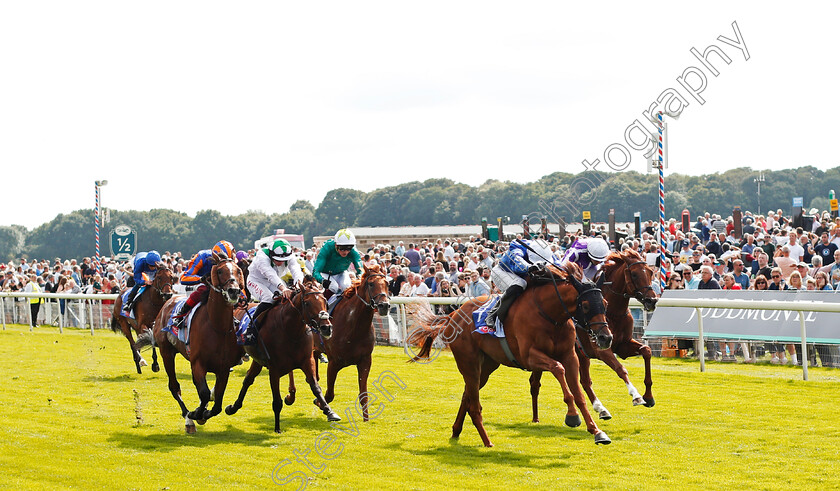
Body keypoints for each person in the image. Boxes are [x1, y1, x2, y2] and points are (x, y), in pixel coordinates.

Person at [486, 239, 556, 328]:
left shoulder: (545, 251)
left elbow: (558, 264)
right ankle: (493, 314)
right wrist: (529, 267)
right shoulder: (517, 247)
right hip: (502, 272)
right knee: (520, 283)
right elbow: (518, 263)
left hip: (520, 274)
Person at [171, 241, 236, 327]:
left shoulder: (230, 262)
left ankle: (231, 315)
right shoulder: (202, 256)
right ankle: (181, 315)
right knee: (203, 289)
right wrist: (201, 279)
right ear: (215, 256)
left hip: (214, 286)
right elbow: (184, 278)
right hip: (196, 283)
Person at [246, 238, 304, 334]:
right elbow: (270, 274)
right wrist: (283, 288)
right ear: (271, 254)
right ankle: (251, 328)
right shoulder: (262, 256)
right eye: (278, 260)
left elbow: (296, 270)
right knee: (268, 299)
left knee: (287, 298)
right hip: (256, 281)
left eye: (284, 260)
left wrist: (298, 285)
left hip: (273, 282)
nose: (281, 263)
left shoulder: (290, 255)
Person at [312, 229, 364, 307]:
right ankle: (322, 307)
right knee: (334, 287)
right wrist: (322, 280)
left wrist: (361, 276)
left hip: (341, 272)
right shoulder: (327, 248)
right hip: (325, 273)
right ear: (336, 245)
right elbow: (315, 271)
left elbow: (360, 268)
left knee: (346, 287)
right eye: (342, 248)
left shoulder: (353, 252)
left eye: (349, 248)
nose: (346, 252)